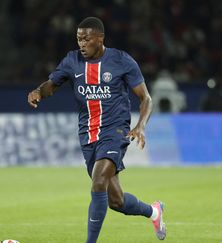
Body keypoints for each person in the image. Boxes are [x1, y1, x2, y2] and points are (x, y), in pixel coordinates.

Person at [27, 17, 166, 242]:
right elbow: (51, 85)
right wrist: (39, 92)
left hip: (115, 131)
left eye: (86, 39)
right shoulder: (72, 61)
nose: (81, 44)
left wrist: (140, 125)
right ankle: (154, 212)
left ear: (100, 39)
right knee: (116, 201)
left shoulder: (121, 61)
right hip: (88, 134)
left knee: (98, 180)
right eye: (79, 39)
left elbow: (146, 98)